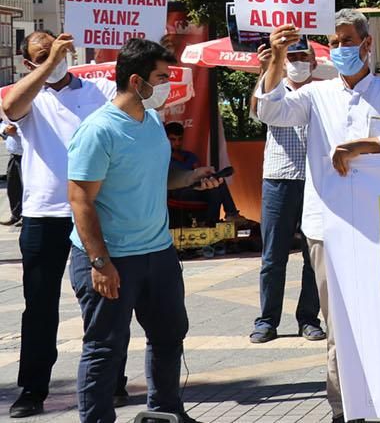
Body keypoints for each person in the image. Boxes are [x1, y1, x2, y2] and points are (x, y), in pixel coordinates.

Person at [256, 10, 380, 423]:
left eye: (346, 41)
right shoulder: (316, 94)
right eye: (333, 43)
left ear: (367, 44)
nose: (338, 49)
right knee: (340, 329)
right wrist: (275, 61)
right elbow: (270, 111)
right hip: (328, 229)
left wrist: (370, 144)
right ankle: (345, 409)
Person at [66, 37, 223, 423]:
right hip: (112, 258)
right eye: (162, 76)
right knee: (106, 347)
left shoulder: (151, 120)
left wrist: (190, 177)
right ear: (137, 82)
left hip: (158, 253)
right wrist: (100, 262)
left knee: (169, 336)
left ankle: (166, 412)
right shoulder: (99, 130)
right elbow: (80, 200)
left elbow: (157, 178)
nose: (168, 84)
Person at [2, 32, 122, 417]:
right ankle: (33, 390)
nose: (56, 59)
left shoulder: (97, 89)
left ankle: (111, 381)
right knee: (39, 306)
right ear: (29, 64)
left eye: (60, 51)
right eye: (43, 55)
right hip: (44, 215)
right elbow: (11, 107)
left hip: (91, 213)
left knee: (103, 302)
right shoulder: (30, 96)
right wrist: (48, 66)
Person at [248, 42, 324, 345]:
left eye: (304, 57)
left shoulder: (324, 92)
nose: (298, 62)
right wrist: (266, 70)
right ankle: (267, 320)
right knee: (273, 256)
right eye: (292, 57)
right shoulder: (273, 89)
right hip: (279, 179)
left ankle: (309, 318)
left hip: (317, 181)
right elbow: (257, 111)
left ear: (315, 62)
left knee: (313, 255)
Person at [165, 122, 241, 226]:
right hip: (177, 191)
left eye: (180, 139)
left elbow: (199, 174)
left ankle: (212, 222)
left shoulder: (190, 156)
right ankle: (227, 215)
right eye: (173, 140)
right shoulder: (164, 159)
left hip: (196, 188)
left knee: (218, 183)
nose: (177, 143)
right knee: (214, 188)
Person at [4, 120, 21, 225]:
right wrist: (5, 130)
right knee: (13, 186)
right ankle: (15, 215)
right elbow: (3, 124)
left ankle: (25, 216)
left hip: (26, 155)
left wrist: (17, 130)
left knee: (27, 187)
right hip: (14, 154)